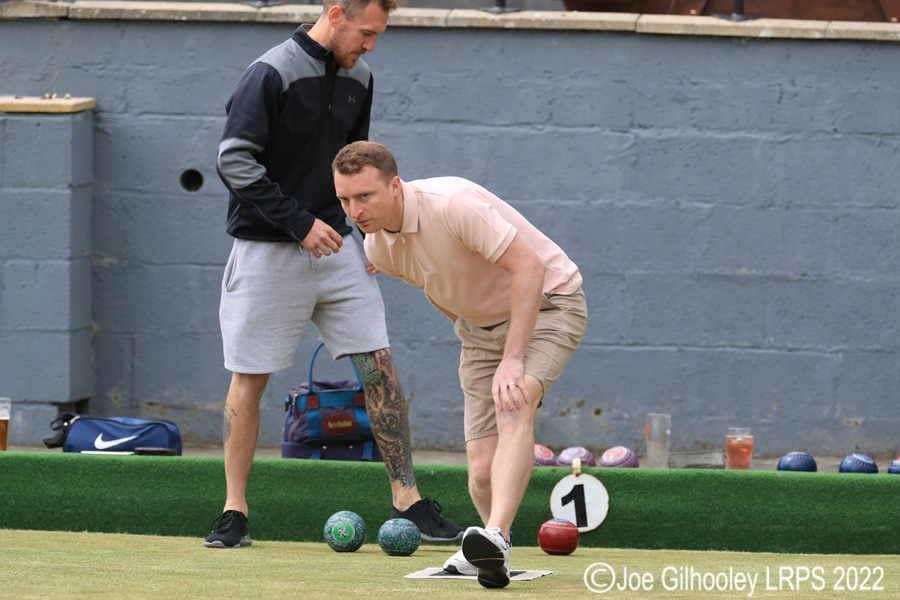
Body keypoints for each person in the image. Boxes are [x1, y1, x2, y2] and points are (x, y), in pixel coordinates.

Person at [206, 0, 463, 549]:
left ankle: (409, 501)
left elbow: (358, 168)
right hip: (267, 249)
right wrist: (300, 223)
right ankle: (233, 512)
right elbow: (233, 161)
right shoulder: (269, 72)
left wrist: (370, 235)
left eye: (377, 35)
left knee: (381, 370)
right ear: (337, 13)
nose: (370, 45)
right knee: (249, 380)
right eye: (366, 32)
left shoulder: (359, 77)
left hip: (340, 249)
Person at [332, 141, 588, 588]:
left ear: (395, 186)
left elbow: (529, 268)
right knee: (482, 472)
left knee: (514, 402)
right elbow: (438, 287)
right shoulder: (378, 249)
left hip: (549, 305)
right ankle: (492, 551)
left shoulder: (453, 204)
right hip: (480, 332)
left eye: (365, 196)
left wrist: (512, 358)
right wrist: (472, 334)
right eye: (345, 200)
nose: (355, 211)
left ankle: (496, 537)